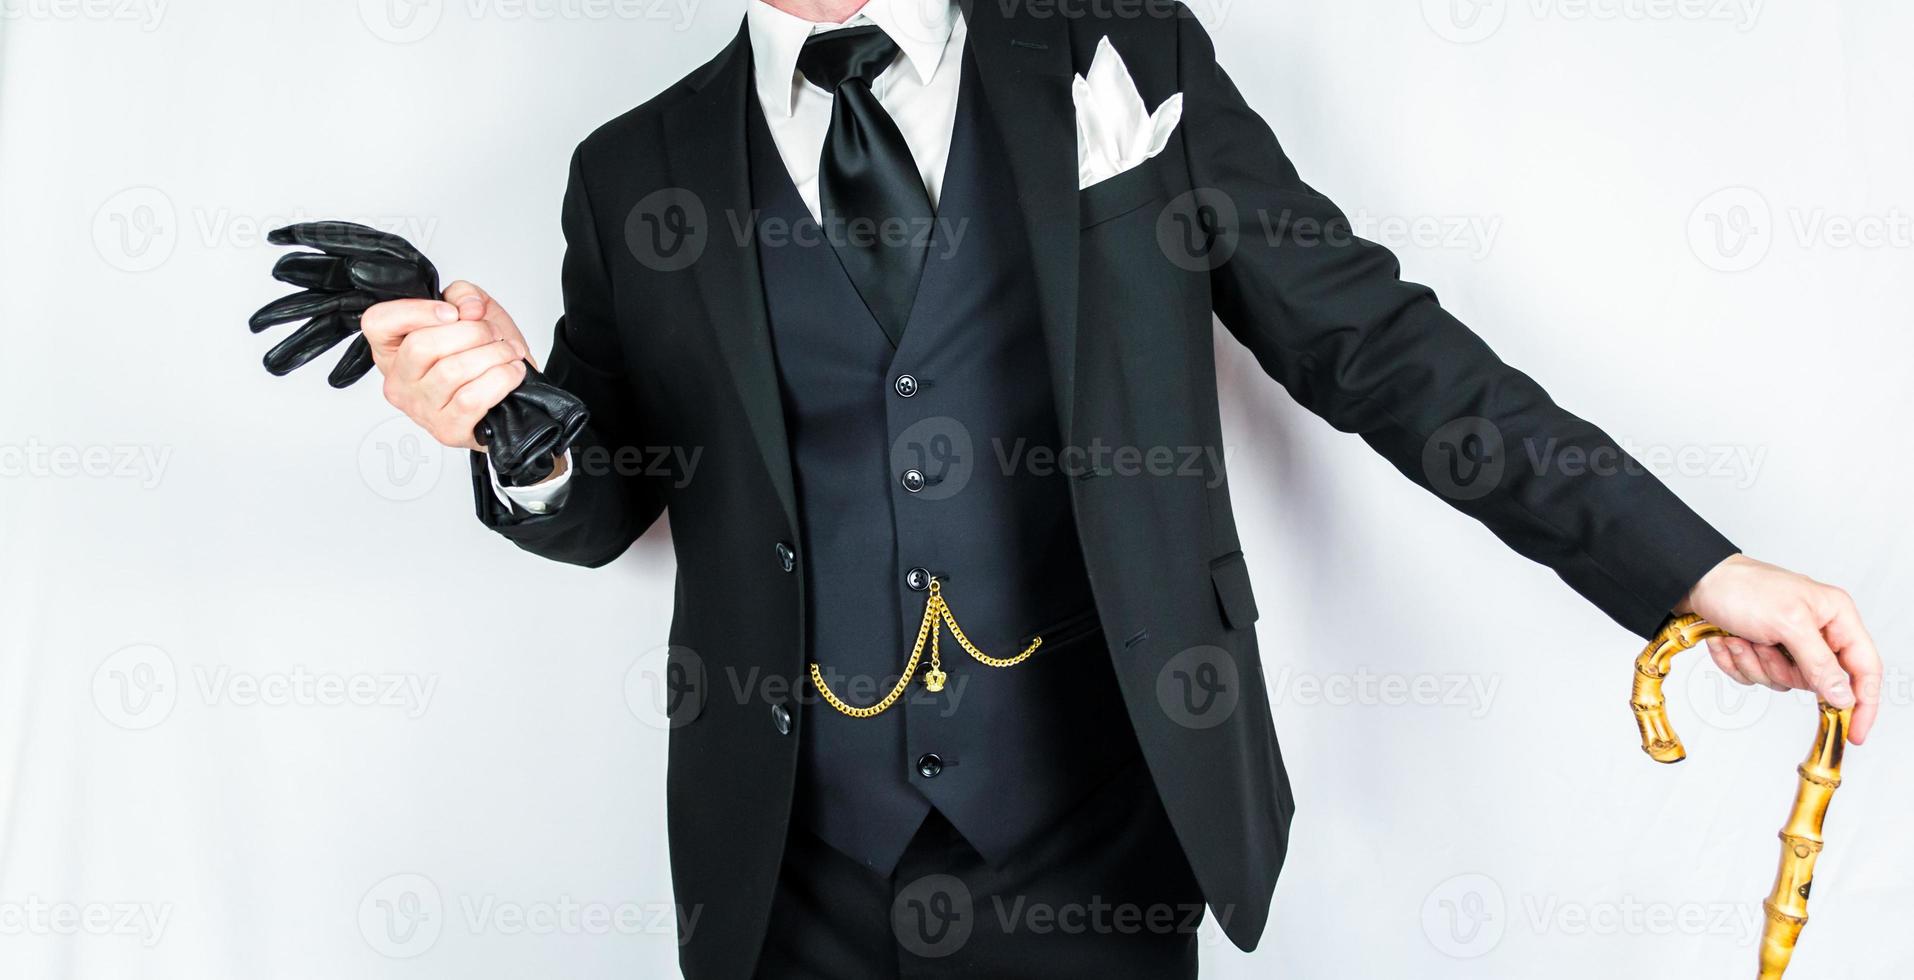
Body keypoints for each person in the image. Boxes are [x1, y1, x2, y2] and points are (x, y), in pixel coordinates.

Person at [357, 1, 1882, 977]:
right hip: (791, 875)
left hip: (1100, 836)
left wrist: (1687, 570)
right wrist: (514, 423)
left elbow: (1376, 348)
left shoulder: (1120, 51)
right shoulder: (631, 167)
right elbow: (611, 493)